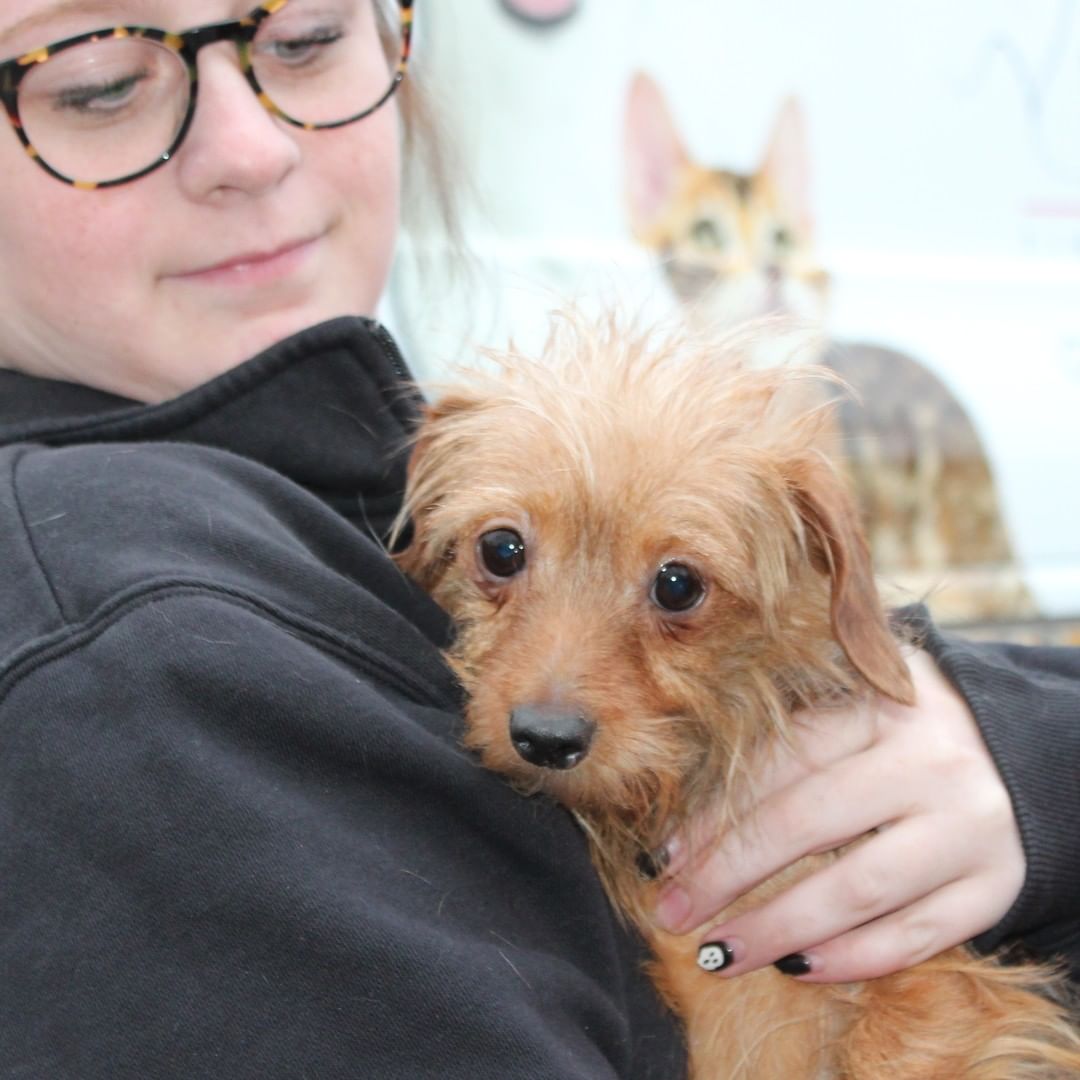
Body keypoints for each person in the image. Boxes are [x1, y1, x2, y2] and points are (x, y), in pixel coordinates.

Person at [0, 2, 1075, 1078]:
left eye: (305, 37)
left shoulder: (349, 498)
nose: (250, 148)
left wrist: (1020, 755)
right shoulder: (107, 642)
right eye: (95, 84)